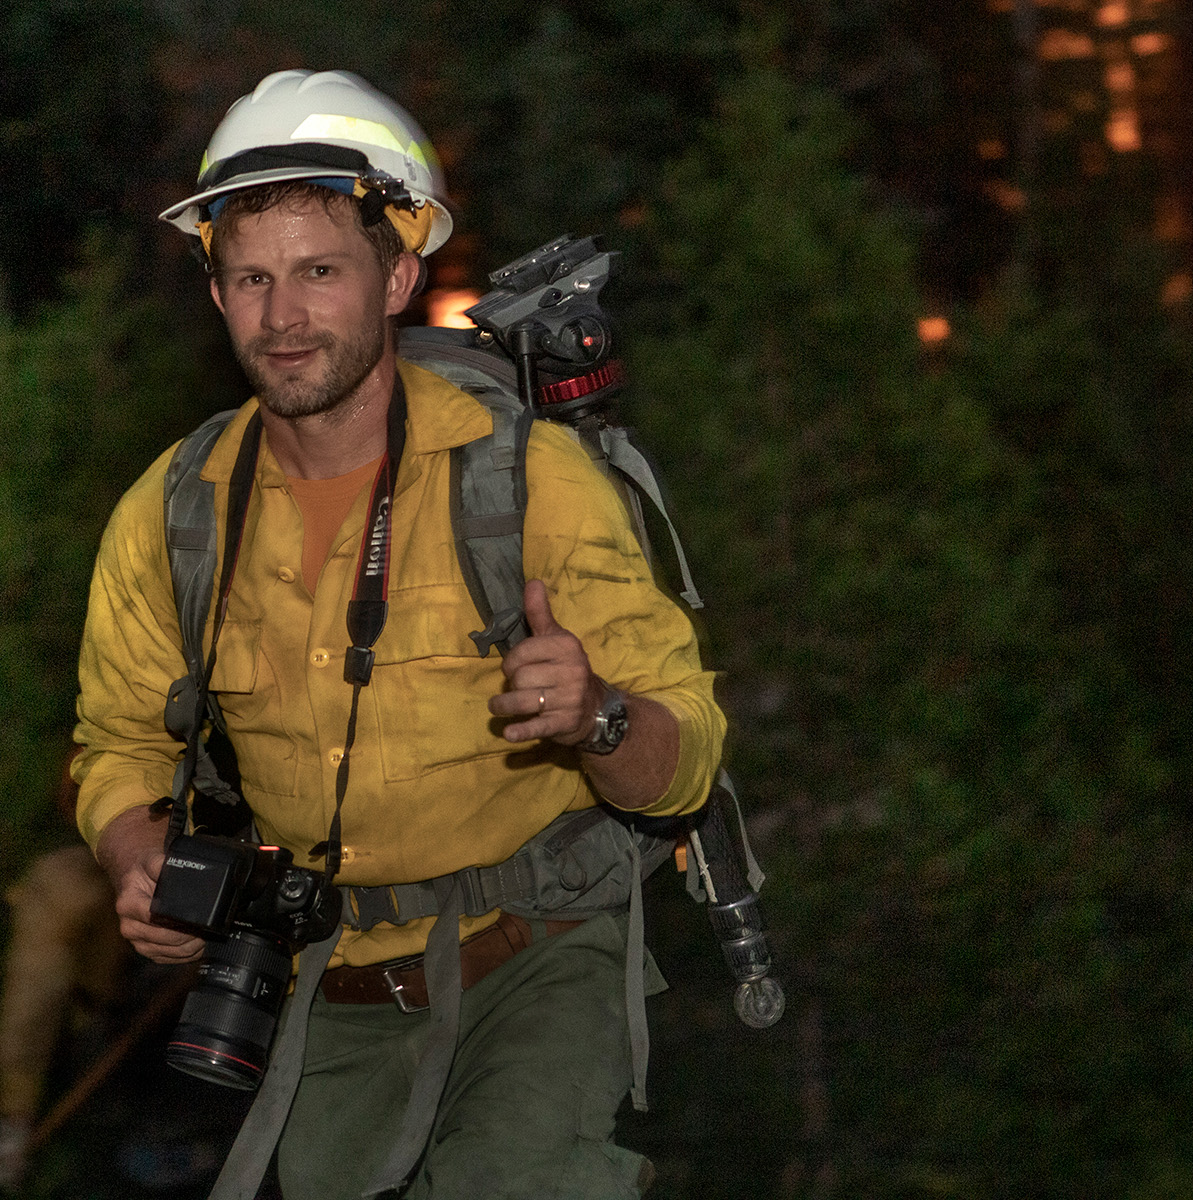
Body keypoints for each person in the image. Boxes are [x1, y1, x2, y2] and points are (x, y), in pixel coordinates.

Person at [72, 69, 725, 1199]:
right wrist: (139, 859)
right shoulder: (172, 515)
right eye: (252, 278)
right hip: (328, 990)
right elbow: (117, 743)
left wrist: (598, 716)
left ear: (398, 278)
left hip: (535, 963)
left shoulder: (528, 483)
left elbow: (690, 756)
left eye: (320, 272)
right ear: (217, 293)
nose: (283, 317)